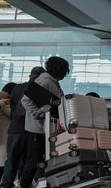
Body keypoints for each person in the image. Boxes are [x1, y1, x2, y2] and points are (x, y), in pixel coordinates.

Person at [20, 56, 69, 188]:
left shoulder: (53, 82)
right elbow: (25, 100)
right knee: (33, 161)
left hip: (46, 129)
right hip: (37, 129)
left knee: (40, 160)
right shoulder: (45, 81)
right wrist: (39, 112)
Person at [1, 67, 45, 188]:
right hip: (32, 128)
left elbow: (13, 107)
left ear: (30, 75)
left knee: (11, 159)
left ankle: (6, 184)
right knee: (28, 161)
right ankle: (23, 183)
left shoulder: (17, 88)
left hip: (16, 128)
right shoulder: (39, 88)